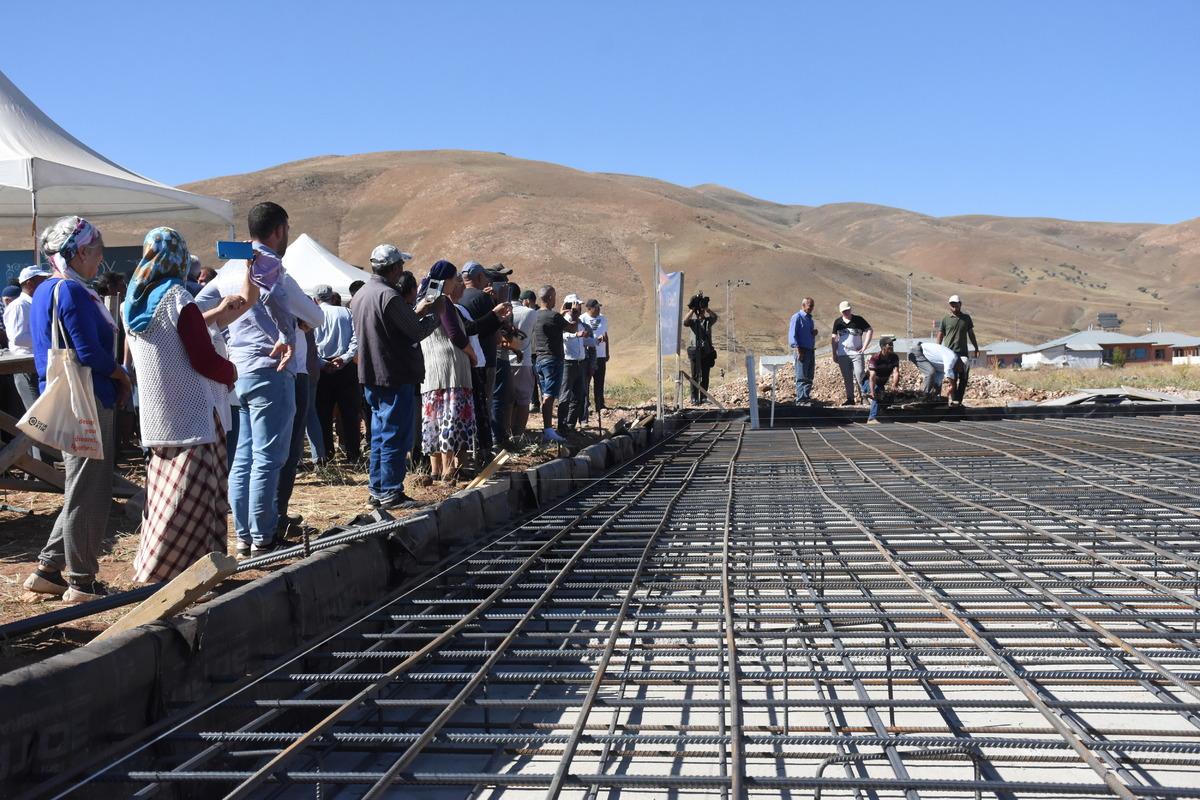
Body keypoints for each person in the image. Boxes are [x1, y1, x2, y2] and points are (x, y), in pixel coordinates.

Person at [195, 202, 324, 556]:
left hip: (240, 371)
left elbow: (193, 311)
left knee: (245, 458)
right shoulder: (275, 269)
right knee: (269, 457)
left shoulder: (227, 270)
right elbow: (315, 315)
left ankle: (244, 536)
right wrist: (300, 323)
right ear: (280, 230)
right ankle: (264, 537)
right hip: (272, 369)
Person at [122, 228, 247, 582]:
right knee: (191, 500)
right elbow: (202, 358)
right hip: (193, 415)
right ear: (178, 258)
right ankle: (180, 572)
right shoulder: (177, 297)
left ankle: (160, 566)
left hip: (158, 416)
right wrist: (231, 371)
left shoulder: (131, 301)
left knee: (163, 500)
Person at [22, 216, 133, 602]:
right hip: (88, 397)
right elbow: (88, 352)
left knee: (80, 486)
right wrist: (121, 375)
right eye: (98, 253)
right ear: (81, 251)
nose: (100, 262)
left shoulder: (44, 290)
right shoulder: (71, 291)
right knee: (91, 490)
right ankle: (82, 580)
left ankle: (48, 569)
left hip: (68, 395)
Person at [354, 245, 441, 506]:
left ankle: (377, 489)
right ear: (393, 268)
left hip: (371, 374)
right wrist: (437, 315)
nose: (402, 270)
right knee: (394, 434)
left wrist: (419, 312)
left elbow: (392, 327)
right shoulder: (389, 296)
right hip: (394, 374)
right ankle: (391, 490)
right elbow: (414, 332)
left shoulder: (362, 294)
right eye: (400, 266)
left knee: (379, 434)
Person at [420, 261, 482, 482]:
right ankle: (449, 470)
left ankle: (436, 470)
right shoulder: (442, 300)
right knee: (451, 418)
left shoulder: (423, 299)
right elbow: (455, 334)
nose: (457, 282)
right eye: (455, 278)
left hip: (431, 370)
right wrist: (472, 354)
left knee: (434, 419)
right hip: (450, 369)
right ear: (445, 280)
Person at [313, 284, 361, 463]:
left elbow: (311, 345)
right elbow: (356, 339)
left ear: (316, 300)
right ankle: (353, 454)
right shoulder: (346, 313)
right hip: (345, 368)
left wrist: (322, 363)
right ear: (333, 297)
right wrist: (346, 358)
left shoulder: (314, 314)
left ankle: (326, 453)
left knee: (322, 414)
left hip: (322, 369)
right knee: (349, 412)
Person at [532, 285, 586, 444]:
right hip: (553, 359)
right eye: (554, 296)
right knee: (549, 396)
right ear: (549, 298)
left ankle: (547, 428)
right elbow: (572, 327)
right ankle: (549, 430)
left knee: (545, 395)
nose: (556, 299)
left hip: (539, 359)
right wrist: (575, 313)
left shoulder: (535, 315)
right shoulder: (553, 317)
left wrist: (561, 314)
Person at [459, 262, 502, 457]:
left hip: (464, 359)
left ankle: (470, 446)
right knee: (485, 401)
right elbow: (496, 330)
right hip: (485, 357)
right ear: (478, 278)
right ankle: (486, 445)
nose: (487, 280)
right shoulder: (483, 298)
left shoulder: (458, 299)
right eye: (484, 276)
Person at [4, 266, 52, 424]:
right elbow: (17, 338)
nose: (45, 283)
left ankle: (40, 449)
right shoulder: (19, 306)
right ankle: (38, 449)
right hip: (25, 367)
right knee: (38, 419)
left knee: (42, 416)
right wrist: (47, 339)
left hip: (35, 365)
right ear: (30, 283)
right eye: (41, 280)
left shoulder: (31, 304)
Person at [506, 288, 538, 438]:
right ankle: (518, 434)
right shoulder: (530, 313)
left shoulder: (501, 310)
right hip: (523, 361)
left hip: (505, 361)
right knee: (524, 400)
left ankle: (508, 433)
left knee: (509, 401)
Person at [937, 294, 979, 405]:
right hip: (949, 353)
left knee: (964, 377)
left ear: (960, 304)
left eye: (956, 304)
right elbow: (940, 334)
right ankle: (954, 400)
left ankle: (958, 400)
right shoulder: (945, 319)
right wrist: (938, 348)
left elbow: (971, 334)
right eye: (952, 304)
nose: (954, 306)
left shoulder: (966, 318)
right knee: (952, 377)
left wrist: (976, 347)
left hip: (962, 353)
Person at [558, 294, 592, 431]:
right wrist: (575, 335)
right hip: (568, 362)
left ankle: (570, 425)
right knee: (565, 395)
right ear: (569, 306)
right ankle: (562, 425)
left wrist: (596, 341)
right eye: (576, 306)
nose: (578, 308)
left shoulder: (580, 323)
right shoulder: (562, 321)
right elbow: (563, 336)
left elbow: (582, 340)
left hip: (580, 362)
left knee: (579, 396)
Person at [831, 300, 873, 406]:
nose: (846, 312)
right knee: (847, 377)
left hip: (856, 353)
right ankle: (850, 398)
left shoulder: (858, 320)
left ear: (850, 309)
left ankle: (864, 397)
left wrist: (864, 347)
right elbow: (834, 338)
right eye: (843, 311)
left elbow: (869, 330)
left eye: (847, 310)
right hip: (842, 354)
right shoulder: (838, 322)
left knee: (860, 374)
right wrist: (834, 353)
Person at [683, 293, 718, 404]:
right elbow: (685, 321)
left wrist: (706, 308)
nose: (701, 313)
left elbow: (715, 317)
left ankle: (703, 396)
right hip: (695, 352)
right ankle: (694, 397)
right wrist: (693, 309)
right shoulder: (693, 322)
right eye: (700, 311)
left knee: (705, 375)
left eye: (701, 311)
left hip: (706, 352)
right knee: (695, 376)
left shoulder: (708, 321)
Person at [863, 336, 901, 424]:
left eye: (892, 345)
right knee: (877, 394)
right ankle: (871, 418)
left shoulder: (894, 357)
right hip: (869, 382)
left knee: (888, 397)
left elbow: (896, 372)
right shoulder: (875, 358)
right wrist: (872, 392)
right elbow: (872, 376)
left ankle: (881, 412)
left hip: (880, 384)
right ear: (883, 347)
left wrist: (894, 385)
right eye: (889, 345)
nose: (892, 347)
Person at [581, 299, 609, 412]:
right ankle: (585, 405)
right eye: (596, 307)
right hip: (588, 355)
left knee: (599, 381)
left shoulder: (603, 318)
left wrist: (607, 351)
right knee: (586, 381)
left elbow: (606, 335)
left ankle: (600, 404)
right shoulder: (582, 319)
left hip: (601, 354)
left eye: (599, 307)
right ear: (589, 309)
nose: (598, 309)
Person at [788, 297, 817, 405]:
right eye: (810, 306)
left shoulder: (810, 319)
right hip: (801, 350)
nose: (811, 308)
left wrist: (813, 333)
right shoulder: (797, 317)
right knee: (801, 375)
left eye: (812, 306)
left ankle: (806, 397)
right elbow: (792, 335)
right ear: (803, 305)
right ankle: (801, 399)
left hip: (810, 350)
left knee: (809, 375)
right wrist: (798, 349)